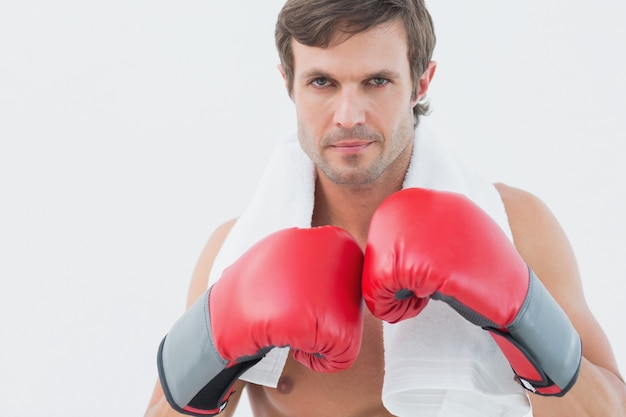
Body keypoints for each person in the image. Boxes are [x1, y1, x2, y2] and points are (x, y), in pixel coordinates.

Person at [145, 0, 626, 416]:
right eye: (322, 83)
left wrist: (522, 320)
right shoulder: (237, 251)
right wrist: (214, 346)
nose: (348, 115)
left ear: (421, 82)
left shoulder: (517, 226)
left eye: (376, 81)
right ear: (288, 84)